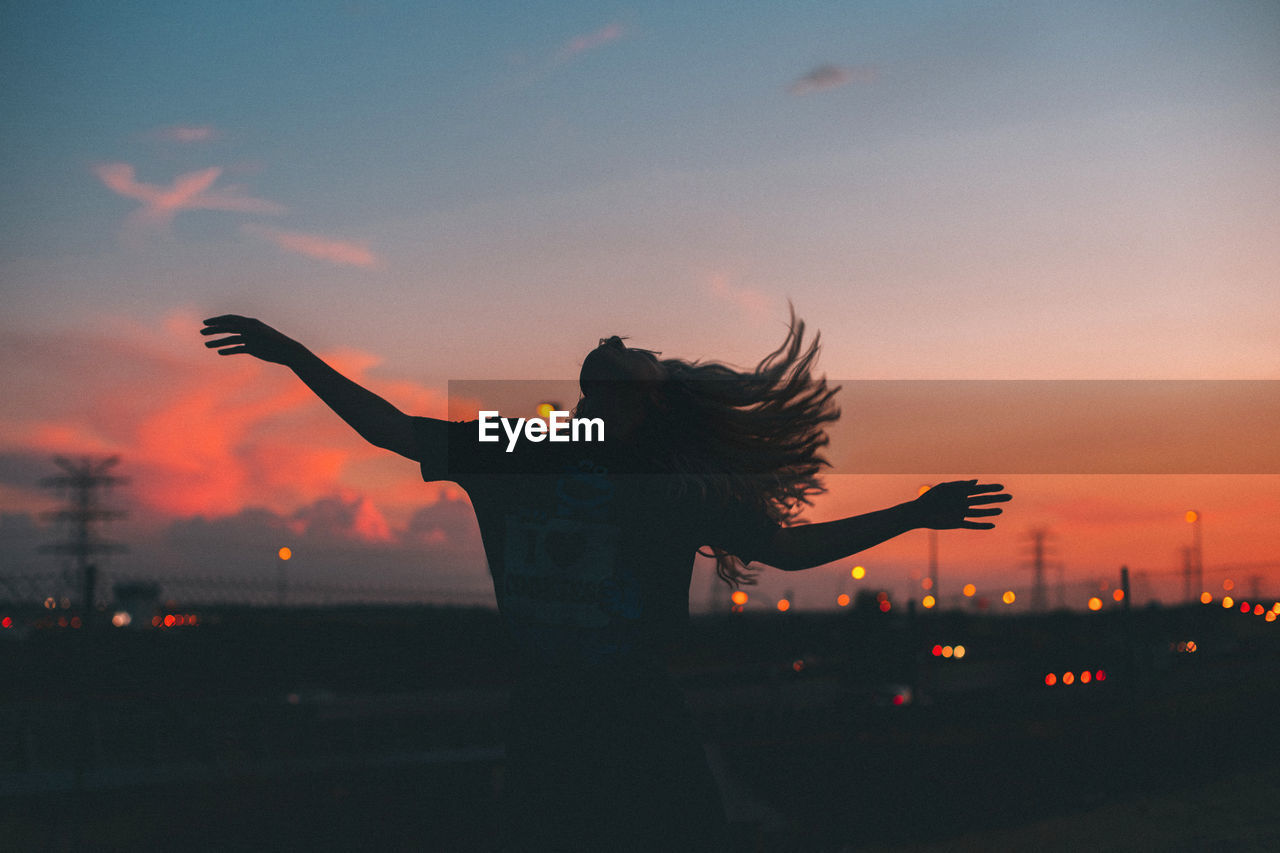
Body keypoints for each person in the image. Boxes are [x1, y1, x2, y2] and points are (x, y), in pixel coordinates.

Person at [201, 313, 1010, 851]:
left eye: (636, 355)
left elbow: (790, 551)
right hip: (553, 706)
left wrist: (911, 513)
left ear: (650, 401)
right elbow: (389, 428)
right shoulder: (518, 450)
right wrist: (295, 355)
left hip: (632, 706)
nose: (618, 336)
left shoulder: (671, 487)